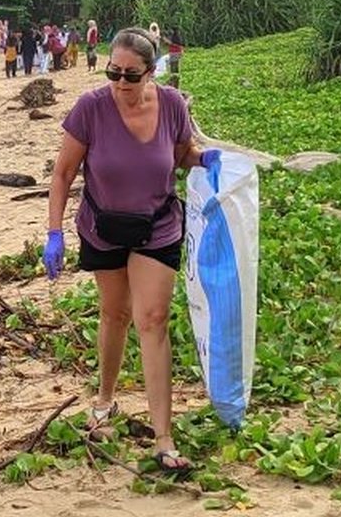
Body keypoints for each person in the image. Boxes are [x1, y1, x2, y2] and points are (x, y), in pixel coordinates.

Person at [41, 27, 220, 477]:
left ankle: (164, 437)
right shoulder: (90, 108)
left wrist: (204, 160)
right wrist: (54, 233)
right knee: (114, 314)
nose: (120, 83)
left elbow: (180, 154)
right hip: (102, 226)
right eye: (113, 73)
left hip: (157, 225)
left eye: (130, 75)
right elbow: (63, 173)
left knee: (153, 319)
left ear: (151, 72)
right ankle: (104, 399)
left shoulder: (173, 104)